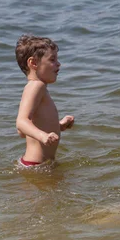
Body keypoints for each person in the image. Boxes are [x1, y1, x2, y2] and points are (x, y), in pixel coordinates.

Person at [15, 35, 74, 167]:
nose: (58, 64)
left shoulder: (37, 88)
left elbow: (23, 132)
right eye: (52, 59)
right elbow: (21, 123)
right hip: (36, 166)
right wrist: (43, 136)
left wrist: (58, 126)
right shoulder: (36, 86)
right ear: (34, 63)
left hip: (37, 164)